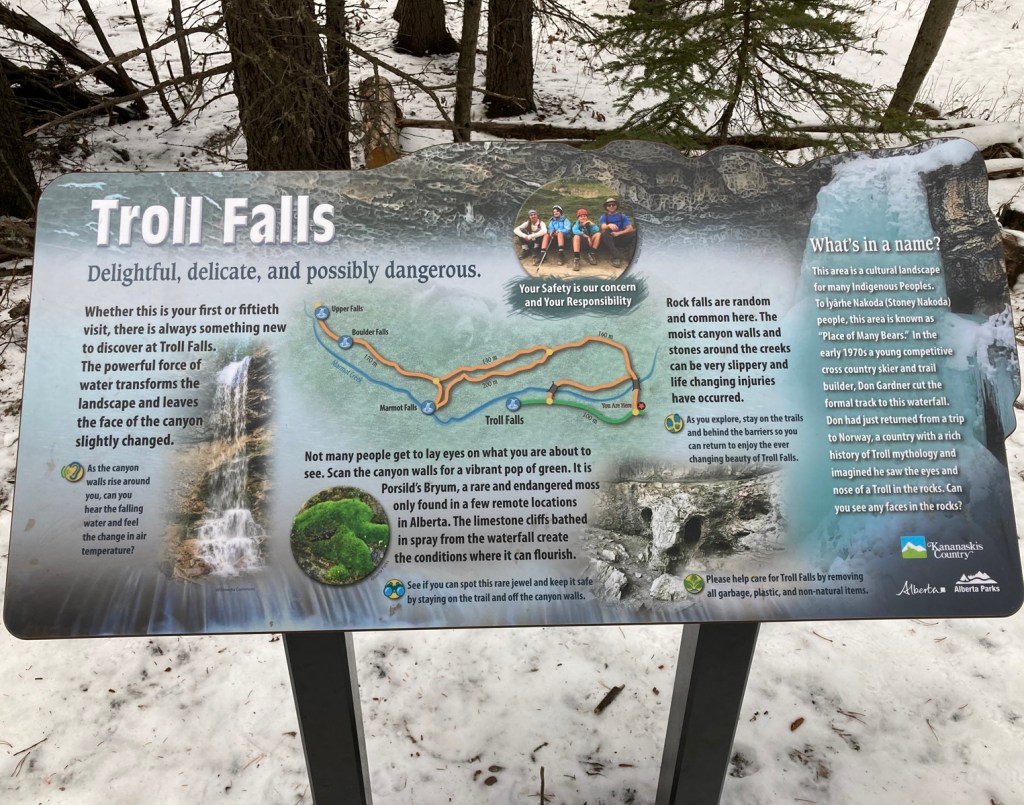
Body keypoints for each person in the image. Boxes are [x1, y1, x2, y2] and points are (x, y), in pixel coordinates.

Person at [598, 197, 635, 269]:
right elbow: (602, 226)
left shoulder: (622, 216)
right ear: (606, 207)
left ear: (616, 206)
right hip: (610, 239)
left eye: (613, 204)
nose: (611, 206)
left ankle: (632, 255)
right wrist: (608, 225)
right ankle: (616, 256)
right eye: (609, 205)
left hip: (620, 237)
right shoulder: (604, 217)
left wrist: (619, 233)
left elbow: (630, 228)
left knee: (634, 233)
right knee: (605, 233)